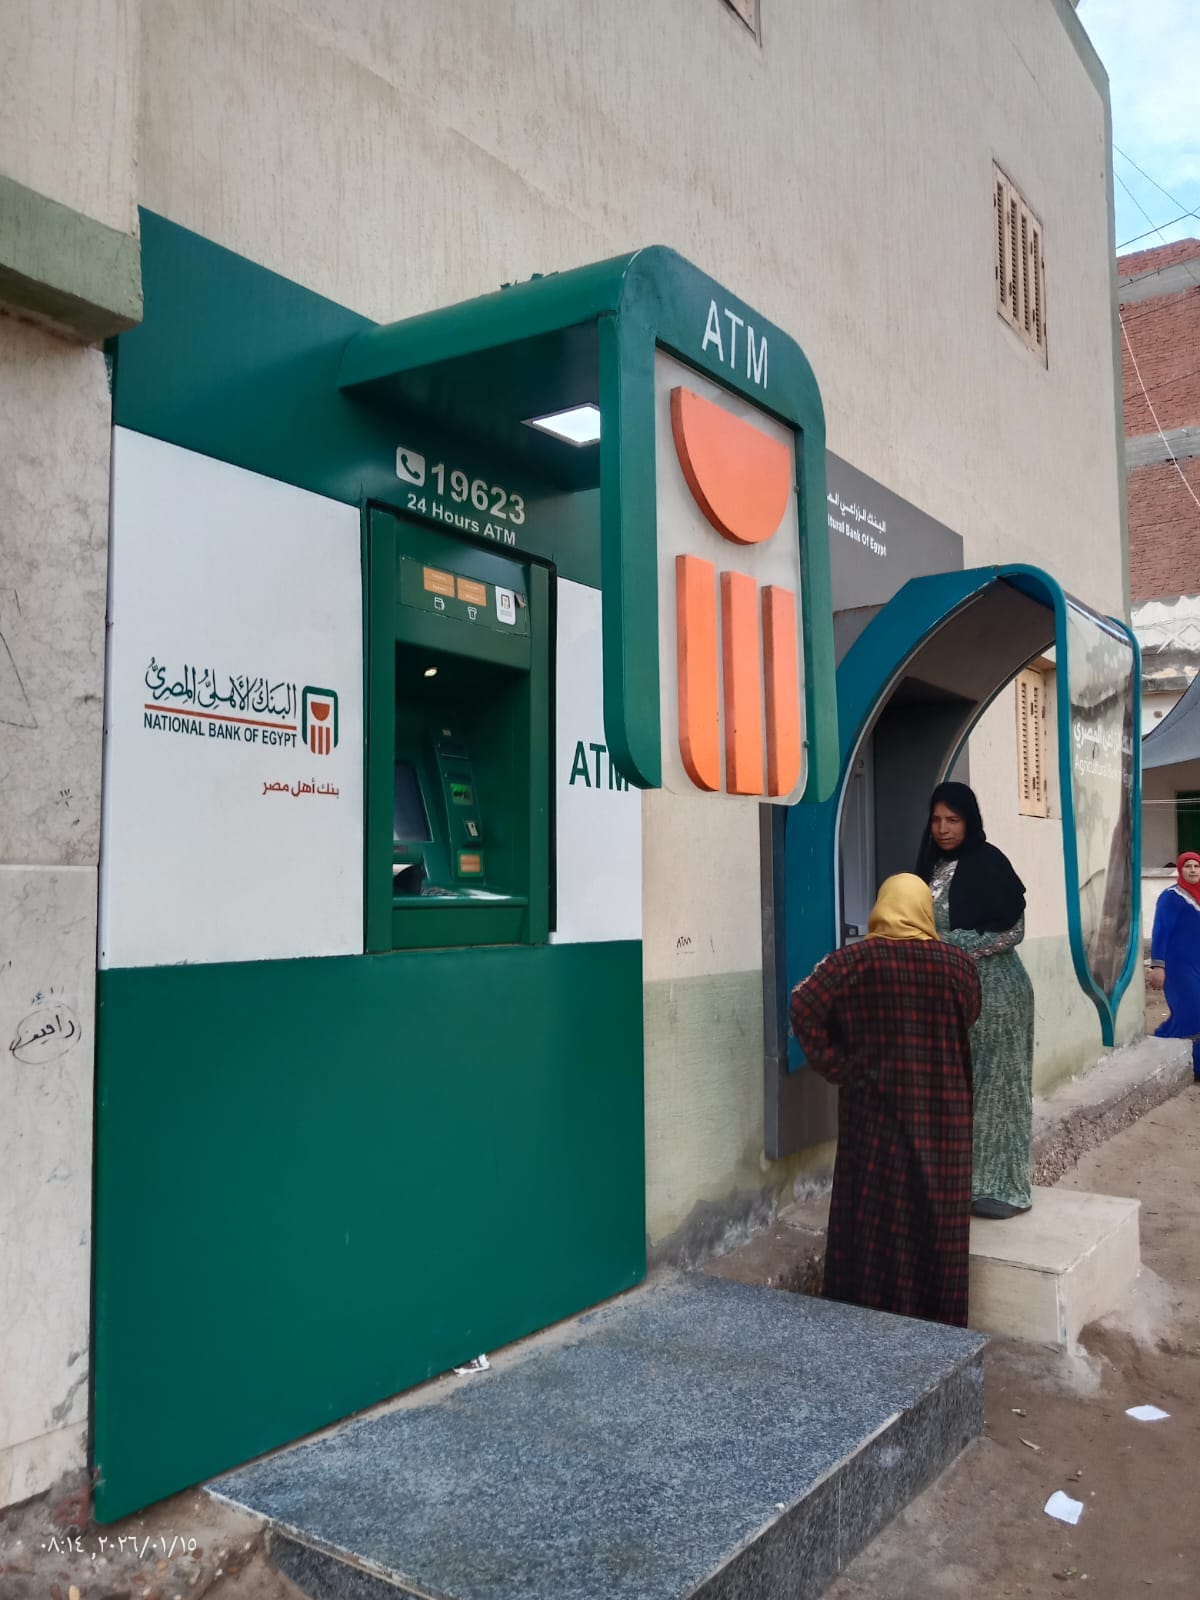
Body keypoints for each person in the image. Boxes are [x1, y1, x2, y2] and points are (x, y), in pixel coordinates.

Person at [789, 874, 981, 1327]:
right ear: (924, 911)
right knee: (937, 1222)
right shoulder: (958, 966)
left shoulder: (851, 962)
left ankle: (867, 1327)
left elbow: (802, 1004)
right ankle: (937, 1332)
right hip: (944, 1118)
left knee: (873, 1218)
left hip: (874, 1117)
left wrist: (840, 1065)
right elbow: (969, 1014)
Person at [916, 781, 1034, 1221]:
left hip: (996, 992)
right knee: (955, 1088)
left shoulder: (989, 862)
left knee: (997, 1088)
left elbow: (1012, 930)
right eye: (936, 820)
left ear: (970, 821)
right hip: (949, 992)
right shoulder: (928, 866)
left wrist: (946, 944)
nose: (943, 829)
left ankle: (1002, 1188)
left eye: (953, 819)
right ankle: (961, 1182)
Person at [1148, 852, 1200, 1079]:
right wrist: (1158, 966)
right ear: (1180, 870)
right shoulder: (1171, 897)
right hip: (1179, 968)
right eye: (1187, 866)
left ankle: (1161, 1047)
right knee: (1193, 1013)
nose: (1192, 870)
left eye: (1196, 866)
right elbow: (1160, 931)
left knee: (1184, 1016)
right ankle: (1195, 1067)